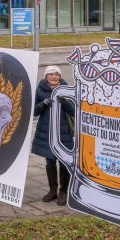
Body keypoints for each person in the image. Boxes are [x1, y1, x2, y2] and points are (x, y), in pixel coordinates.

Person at [32, 65, 74, 205]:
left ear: (60, 77)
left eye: (57, 74)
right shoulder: (40, 89)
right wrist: (42, 104)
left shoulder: (66, 90)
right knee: (50, 161)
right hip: (47, 132)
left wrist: (66, 103)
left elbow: (74, 111)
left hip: (63, 133)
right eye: (51, 74)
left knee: (63, 162)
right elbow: (34, 112)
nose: (54, 76)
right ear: (46, 76)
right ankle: (53, 191)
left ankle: (63, 192)